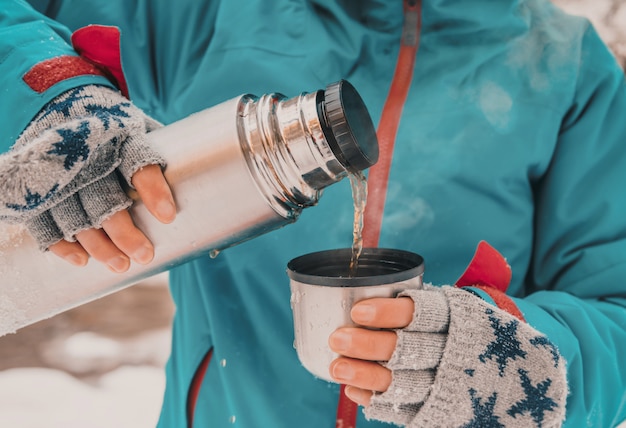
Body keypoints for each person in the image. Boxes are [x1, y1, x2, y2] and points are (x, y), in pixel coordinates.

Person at [1, 0, 626, 426]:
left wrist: (531, 358)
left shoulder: (566, 64)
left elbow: (616, 308)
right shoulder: (199, 14)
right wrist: (52, 93)